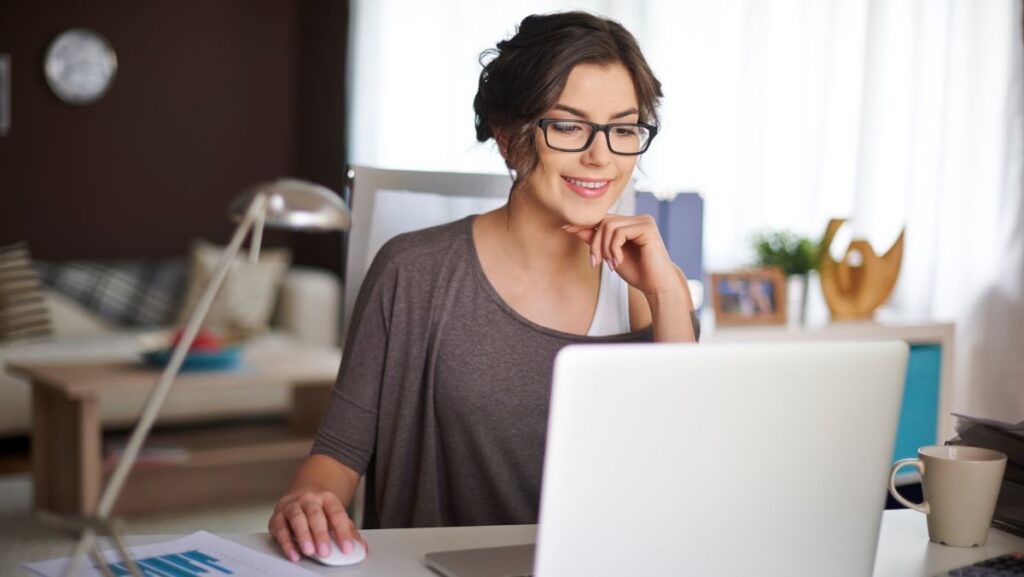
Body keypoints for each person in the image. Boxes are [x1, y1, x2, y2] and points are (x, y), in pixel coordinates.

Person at [268, 11, 698, 563]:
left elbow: (684, 479)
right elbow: (336, 456)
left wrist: (667, 298)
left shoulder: (656, 288)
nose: (602, 156)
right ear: (507, 134)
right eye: (568, 125)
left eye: (623, 128)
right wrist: (309, 499)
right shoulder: (412, 271)